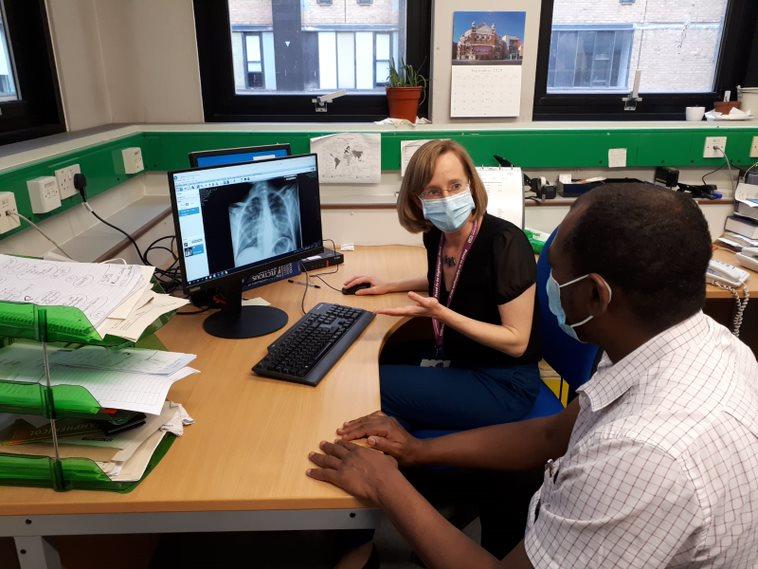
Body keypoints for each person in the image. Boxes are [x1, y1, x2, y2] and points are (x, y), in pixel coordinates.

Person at [308, 183, 758, 568]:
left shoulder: (646, 454)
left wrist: (385, 484)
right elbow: (550, 437)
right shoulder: (689, 342)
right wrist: (416, 450)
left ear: (596, 295)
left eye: (555, 274)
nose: (547, 288)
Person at [343, 140, 541, 432]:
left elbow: (516, 341)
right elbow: (453, 275)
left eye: (456, 186)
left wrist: (442, 314)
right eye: (433, 191)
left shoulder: (506, 244)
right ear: (416, 199)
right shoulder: (437, 234)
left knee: (368, 382)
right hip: (459, 357)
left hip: (502, 382)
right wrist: (390, 285)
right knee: (373, 360)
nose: (446, 199)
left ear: (472, 185)